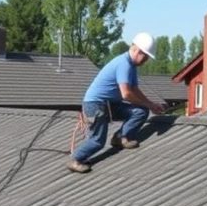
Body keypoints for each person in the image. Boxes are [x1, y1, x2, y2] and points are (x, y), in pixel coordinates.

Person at [67, 32, 166, 173]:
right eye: (146, 57)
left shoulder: (130, 66)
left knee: (140, 111)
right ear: (139, 51)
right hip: (95, 105)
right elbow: (126, 93)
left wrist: (150, 104)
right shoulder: (124, 64)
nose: (146, 61)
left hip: (108, 104)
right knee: (98, 141)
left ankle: (120, 138)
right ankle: (75, 159)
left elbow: (134, 90)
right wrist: (149, 105)